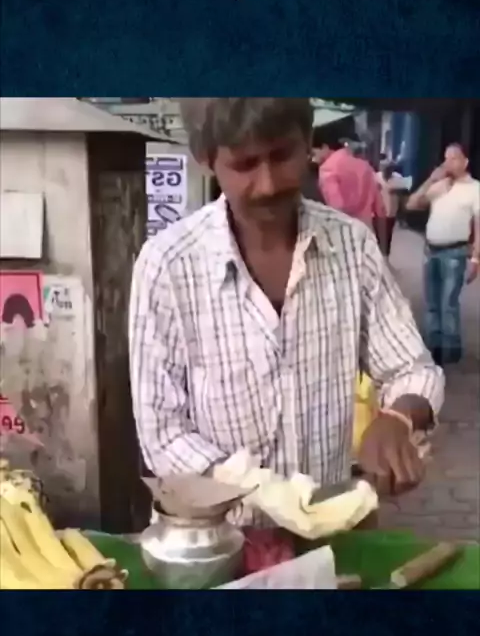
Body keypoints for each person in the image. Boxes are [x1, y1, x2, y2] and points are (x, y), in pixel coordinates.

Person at [129, 98, 444, 509]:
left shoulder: (352, 246)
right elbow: (163, 434)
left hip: (328, 526)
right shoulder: (168, 265)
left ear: (307, 140)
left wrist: (399, 419)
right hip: (219, 534)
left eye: (282, 156)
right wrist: (264, 494)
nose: (268, 184)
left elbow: (411, 368)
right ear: (206, 160)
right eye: (245, 164)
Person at [406, 143, 480, 366]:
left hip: (455, 252)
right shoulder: (438, 185)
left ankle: (451, 349)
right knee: (431, 303)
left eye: (454, 158)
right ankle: (434, 348)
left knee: (448, 303)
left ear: (465, 162)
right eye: (446, 158)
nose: (448, 163)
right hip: (431, 250)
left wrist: (476, 258)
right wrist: (431, 180)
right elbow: (412, 204)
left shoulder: (475, 188)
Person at [314, 135, 388, 252]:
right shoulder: (365, 166)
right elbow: (380, 210)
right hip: (368, 236)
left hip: (344, 240)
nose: (312, 158)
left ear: (324, 147)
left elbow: (337, 209)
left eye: (313, 153)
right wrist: (383, 249)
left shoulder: (327, 169)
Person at [376, 161, 403, 257]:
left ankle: (385, 256)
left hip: (391, 212)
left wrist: (398, 189)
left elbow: (407, 189)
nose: (386, 171)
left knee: (387, 235)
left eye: (389, 169)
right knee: (377, 235)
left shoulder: (398, 177)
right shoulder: (376, 177)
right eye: (384, 169)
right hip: (378, 211)